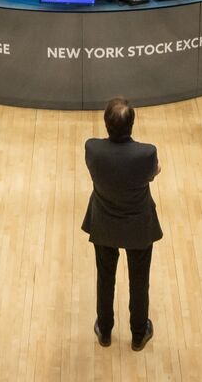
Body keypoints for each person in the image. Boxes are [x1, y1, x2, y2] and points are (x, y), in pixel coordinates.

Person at [82, 98, 162, 352]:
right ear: (132, 124)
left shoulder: (93, 149)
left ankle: (105, 331)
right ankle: (138, 334)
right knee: (139, 280)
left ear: (106, 124)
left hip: (104, 224)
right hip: (138, 227)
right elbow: (153, 172)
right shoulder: (146, 153)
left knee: (105, 278)